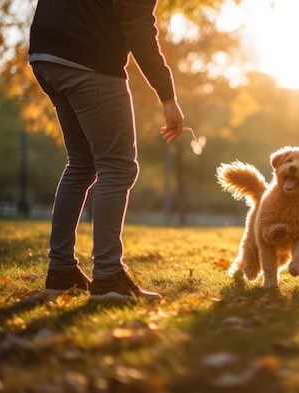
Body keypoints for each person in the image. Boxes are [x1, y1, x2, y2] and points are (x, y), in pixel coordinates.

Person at [29, 0, 184, 300]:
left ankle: (60, 271)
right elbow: (138, 27)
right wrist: (167, 95)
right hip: (88, 58)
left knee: (81, 164)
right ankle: (108, 275)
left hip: (46, 54)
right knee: (118, 166)